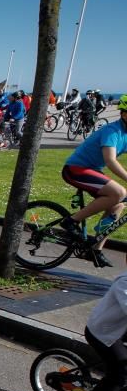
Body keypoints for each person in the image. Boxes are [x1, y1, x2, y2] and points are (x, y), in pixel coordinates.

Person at [59, 95, 127, 268]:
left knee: (118, 204)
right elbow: (110, 160)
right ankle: (71, 222)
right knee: (119, 192)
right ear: (124, 114)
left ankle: (95, 250)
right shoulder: (112, 131)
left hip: (92, 171)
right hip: (75, 169)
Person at [75, 267, 127, 391]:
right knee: (120, 371)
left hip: (121, 332)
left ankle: (110, 390)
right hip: (103, 333)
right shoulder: (124, 282)